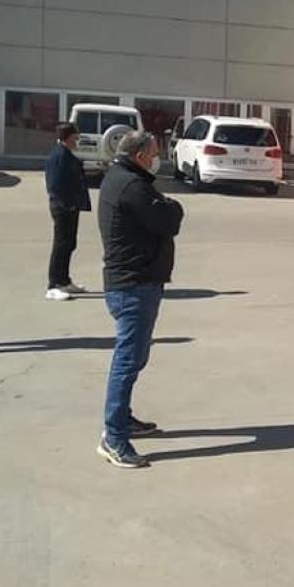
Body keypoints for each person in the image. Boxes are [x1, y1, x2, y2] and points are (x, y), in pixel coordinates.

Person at [96, 131, 184, 469]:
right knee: (127, 361)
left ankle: (123, 418)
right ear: (139, 155)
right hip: (133, 286)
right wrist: (172, 205)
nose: (156, 158)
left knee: (134, 359)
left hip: (135, 283)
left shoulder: (124, 178)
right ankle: (113, 437)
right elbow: (168, 220)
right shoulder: (132, 186)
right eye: (153, 153)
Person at [44, 122, 91, 301]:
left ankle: (64, 280)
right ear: (68, 136)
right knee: (61, 245)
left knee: (69, 244)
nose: (77, 139)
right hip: (63, 208)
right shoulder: (58, 156)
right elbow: (54, 185)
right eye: (75, 135)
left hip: (71, 206)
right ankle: (53, 284)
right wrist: (66, 205)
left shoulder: (67, 154)